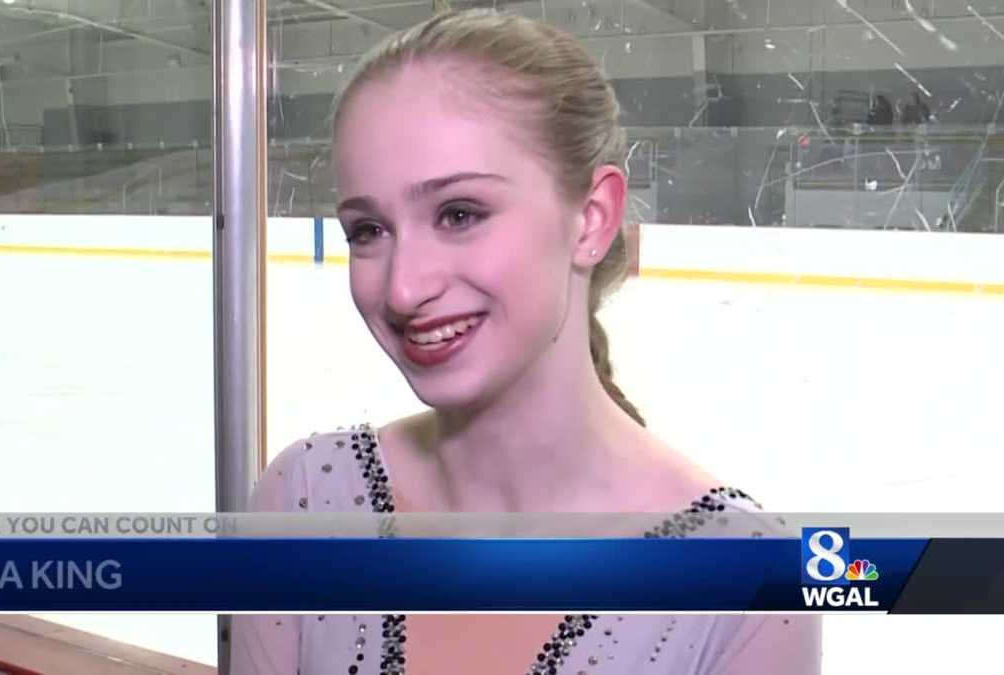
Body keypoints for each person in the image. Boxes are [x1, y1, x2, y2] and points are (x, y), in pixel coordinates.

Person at [232, 9, 821, 674]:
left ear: (591, 219)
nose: (402, 289)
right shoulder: (305, 500)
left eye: (459, 214)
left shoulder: (746, 586)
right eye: (368, 230)